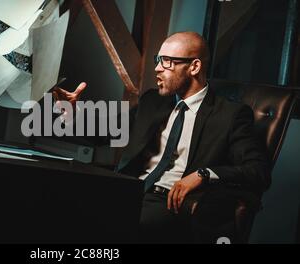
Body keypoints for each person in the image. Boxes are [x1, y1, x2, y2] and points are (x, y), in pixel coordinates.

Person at [53, 31, 270, 243]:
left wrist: (204, 174)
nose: (157, 68)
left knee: (105, 226)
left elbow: (257, 170)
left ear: (194, 67)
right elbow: (110, 130)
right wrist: (74, 115)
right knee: (61, 209)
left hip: (172, 202)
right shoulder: (153, 101)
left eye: (166, 62)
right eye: (158, 60)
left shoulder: (231, 115)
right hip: (130, 190)